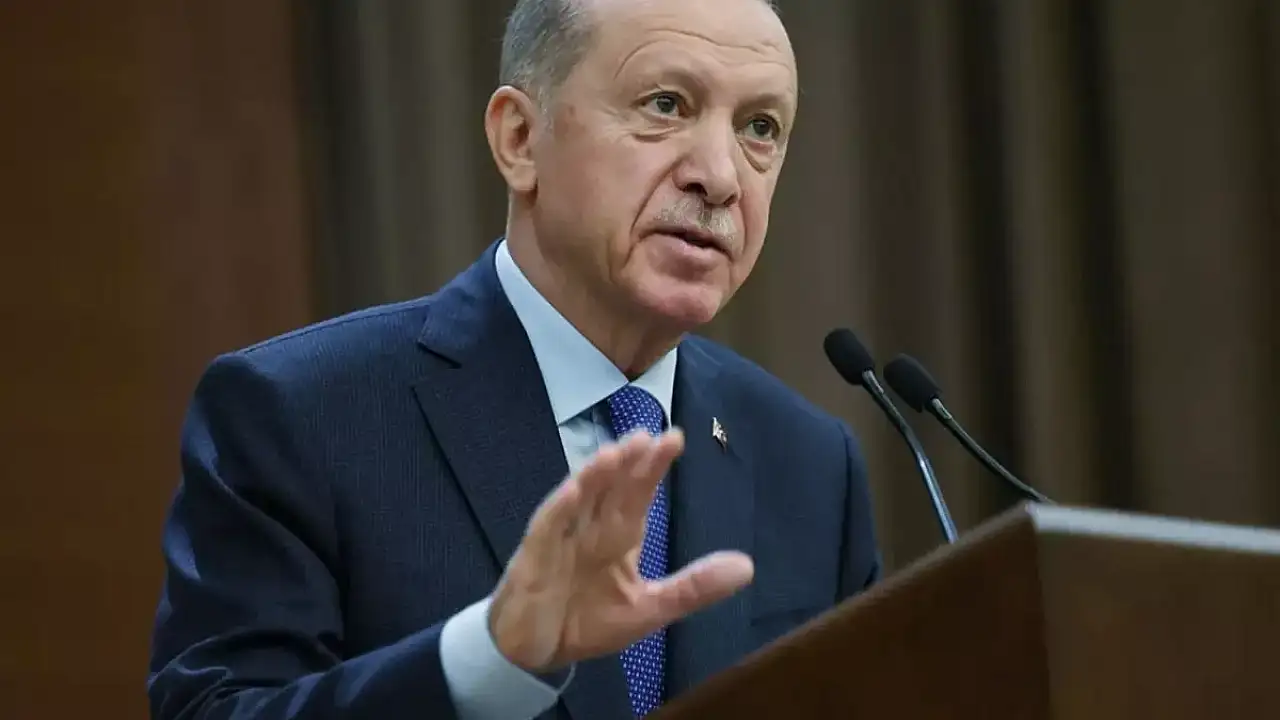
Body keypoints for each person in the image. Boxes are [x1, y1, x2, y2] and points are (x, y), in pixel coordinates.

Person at [146, 0, 881, 717]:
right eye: (665, 105)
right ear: (520, 140)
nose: (720, 176)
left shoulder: (811, 464)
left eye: (760, 127)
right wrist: (489, 663)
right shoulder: (300, 413)